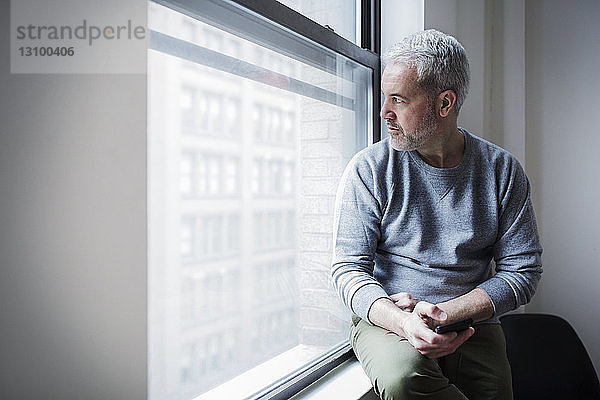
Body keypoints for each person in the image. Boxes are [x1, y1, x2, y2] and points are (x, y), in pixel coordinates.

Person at [331, 29, 542, 400]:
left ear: (445, 104)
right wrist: (404, 322)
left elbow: (523, 272)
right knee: (404, 381)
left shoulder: (502, 170)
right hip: (389, 319)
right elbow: (347, 269)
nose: (384, 113)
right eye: (384, 98)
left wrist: (444, 314)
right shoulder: (369, 169)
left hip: (473, 323)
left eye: (398, 99)